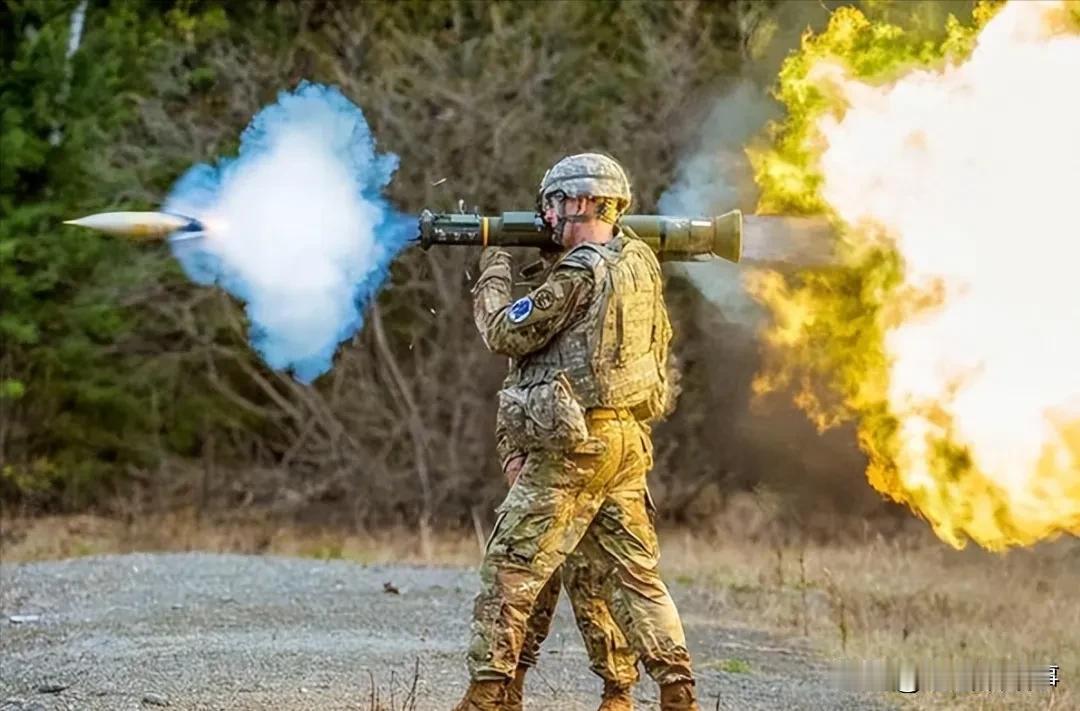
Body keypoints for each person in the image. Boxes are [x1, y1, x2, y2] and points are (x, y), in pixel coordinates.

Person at [454, 153, 699, 711]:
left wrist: (493, 266)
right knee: (633, 576)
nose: (546, 213)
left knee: (510, 567)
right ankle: (676, 690)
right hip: (626, 443)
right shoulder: (638, 260)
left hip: (573, 447)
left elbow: (505, 332)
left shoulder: (578, 271)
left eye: (555, 202)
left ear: (585, 202)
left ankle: (488, 695)